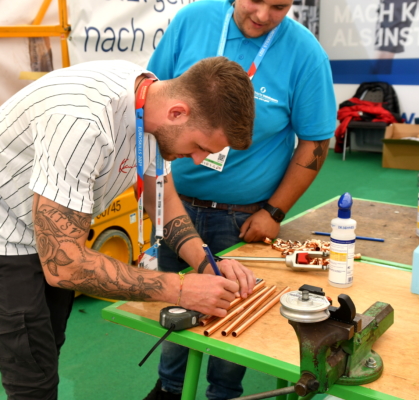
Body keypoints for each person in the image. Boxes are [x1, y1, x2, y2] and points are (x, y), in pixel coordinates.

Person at [0, 56, 257, 399]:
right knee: (30, 370)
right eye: (200, 147)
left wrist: (207, 264)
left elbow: (163, 202)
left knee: (48, 339)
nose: (200, 160)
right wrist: (180, 288)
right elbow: (64, 265)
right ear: (178, 113)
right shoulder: (83, 122)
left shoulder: (154, 105)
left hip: (46, 227)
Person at [144, 0, 336, 399]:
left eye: (279, 6)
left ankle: (224, 392)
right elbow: (154, 98)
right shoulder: (191, 22)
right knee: (177, 304)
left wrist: (275, 211)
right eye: (256, 0)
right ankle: (170, 388)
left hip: (242, 219)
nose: (263, 15)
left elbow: (316, 139)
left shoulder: (305, 53)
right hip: (175, 203)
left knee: (234, 311)